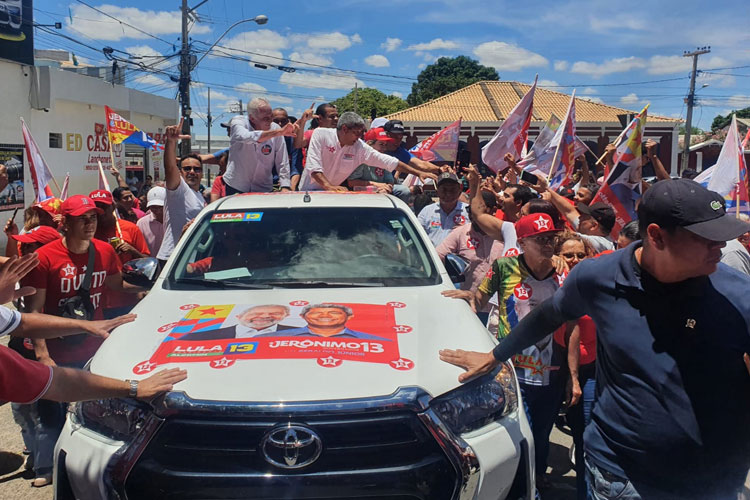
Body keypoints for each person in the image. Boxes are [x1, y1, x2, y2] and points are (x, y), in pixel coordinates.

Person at [439, 178, 750, 500]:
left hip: (710, 483)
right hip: (619, 477)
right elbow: (550, 314)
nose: (721, 247)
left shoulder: (740, 297)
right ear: (656, 236)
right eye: (706, 238)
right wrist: (497, 355)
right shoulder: (597, 278)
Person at [443, 212, 565, 489]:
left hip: (553, 370)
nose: (549, 245)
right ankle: (519, 485)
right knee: (518, 432)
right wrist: (466, 298)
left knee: (542, 433)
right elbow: (480, 300)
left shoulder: (564, 271)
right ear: (522, 243)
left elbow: (573, 325)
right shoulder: (504, 267)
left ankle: (537, 480)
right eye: (541, 239)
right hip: (511, 368)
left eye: (552, 238)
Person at [553, 232, 596, 500]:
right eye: (569, 255)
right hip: (552, 367)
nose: (575, 260)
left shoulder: (595, 283)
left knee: (585, 435)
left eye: (581, 255)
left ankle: (587, 492)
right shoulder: (550, 281)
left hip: (589, 372)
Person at [298, 112, 437, 192]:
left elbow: (390, 162)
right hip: (308, 193)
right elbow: (314, 168)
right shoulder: (320, 134)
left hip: (334, 194)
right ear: (345, 129)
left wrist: (418, 173)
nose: (360, 138)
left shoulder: (359, 147)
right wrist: (329, 186)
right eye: (357, 133)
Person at [90, 189, 150, 318]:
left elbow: (147, 261)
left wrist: (132, 250)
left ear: (112, 206)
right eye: (96, 208)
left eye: (104, 206)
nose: (101, 211)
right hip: (96, 302)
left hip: (127, 299)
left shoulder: (130, 228)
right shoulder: (87, 233)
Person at [157, 119, 207, 263]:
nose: (192, 172)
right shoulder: (179, 189)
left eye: (196, 169)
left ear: (202, 173)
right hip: (173, 257)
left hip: (191, 257)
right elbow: (170, 167)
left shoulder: (200, 196)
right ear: (180, 172)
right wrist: (171, 142)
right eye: (187, 168)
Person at [223, 98, 296, 194]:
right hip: (236, 186)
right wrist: (278, 133)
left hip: (263, 187)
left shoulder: (276, 129)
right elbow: (246, 137)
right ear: (252, 118)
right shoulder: (238, 122)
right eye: (266, 118)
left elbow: (282, 160)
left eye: (271, 117)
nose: (270, 121)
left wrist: (285, 185)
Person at [259, 303, 390, 341]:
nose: (325, 315)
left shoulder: (377, 341)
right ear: (302, 316)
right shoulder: (267, 338)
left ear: (349, 317)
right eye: (317, 312)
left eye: (334, 312)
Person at [178, 305, 295, 340]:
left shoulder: (304, 334)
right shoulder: (195, 337)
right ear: (238, 316)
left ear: (285, 316)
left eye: (274, 313)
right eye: (256, 313)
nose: (265, 316)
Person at [417, 172, 469, 246]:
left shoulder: (468, 211)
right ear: (437, 192)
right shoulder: (426, 211)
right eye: (444, 190)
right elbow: (417, 235)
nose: (448, 194)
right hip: (432, 256)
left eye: (452, 189)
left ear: (459, 192)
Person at [273, 107, 303, 190]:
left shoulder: (293, 141)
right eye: (275, 121)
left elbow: (296, 168)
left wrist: (289, 188)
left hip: (289, 184)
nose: (279, 124)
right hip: (267, 185)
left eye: (283, 121)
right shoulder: (263, 141)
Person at [136, 186, 166, 257]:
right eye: (154, 207)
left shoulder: (175, 220)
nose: (158, 211)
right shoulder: (141, 223)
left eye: (161, 207)